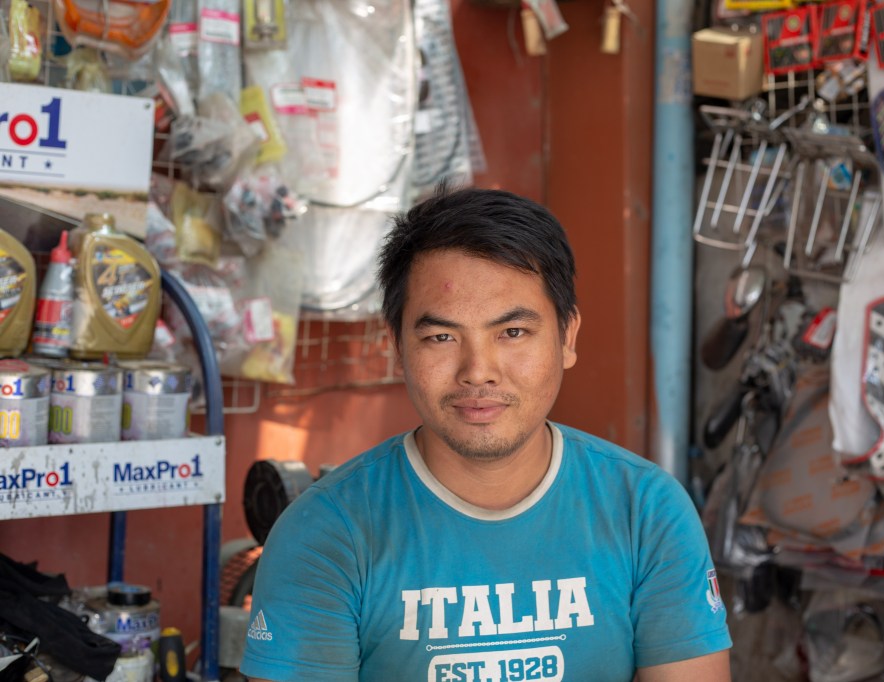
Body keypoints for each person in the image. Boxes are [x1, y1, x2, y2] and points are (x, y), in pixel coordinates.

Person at [240, 185, 732, 681]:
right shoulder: (325, 533)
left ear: (567, 337)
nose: (478, 371)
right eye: (441, 336)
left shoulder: (645, 511)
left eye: (512, 333)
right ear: (397, 348)